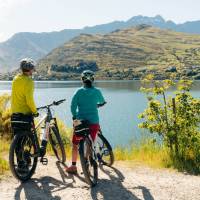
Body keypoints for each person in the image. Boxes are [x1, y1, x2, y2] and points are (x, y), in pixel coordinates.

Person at [66, 70, 106, 174]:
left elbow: (72, 106)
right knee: (90, 143)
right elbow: (102, 101)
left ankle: (73, 166)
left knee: (75, 144)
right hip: (93, 121)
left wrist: (74, 117)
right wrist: (97, 104)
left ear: (82, 80)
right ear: (93, 80)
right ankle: (88, 163)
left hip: (80, 121)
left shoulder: (78, 92)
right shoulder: (97, 91)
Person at [11, 58, 47, 156]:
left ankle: (20, 164)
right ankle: (36, 151)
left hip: (14, 114)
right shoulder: (29, 81)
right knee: (29, 134)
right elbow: (29, 100)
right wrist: (35, 111)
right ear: (31, 69)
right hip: (25, 114)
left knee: (18, 141)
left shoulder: (15, 79)